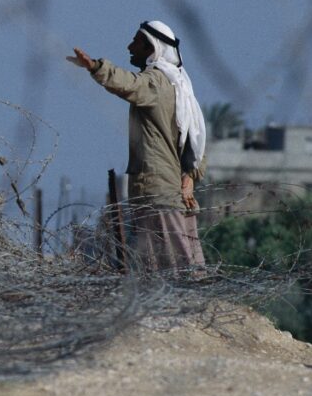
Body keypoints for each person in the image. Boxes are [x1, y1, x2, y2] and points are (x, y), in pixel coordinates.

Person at [67, 20, 207, 272]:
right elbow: (197, 141)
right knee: (181, 262)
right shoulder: (181, 88)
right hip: (173, 191)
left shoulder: (156, 82)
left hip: (157, 192)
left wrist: (96, 67)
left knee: (172, 267)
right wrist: (190, 176)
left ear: (152, 48)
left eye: (136, 42)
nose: (129, 47)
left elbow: (130, 85)